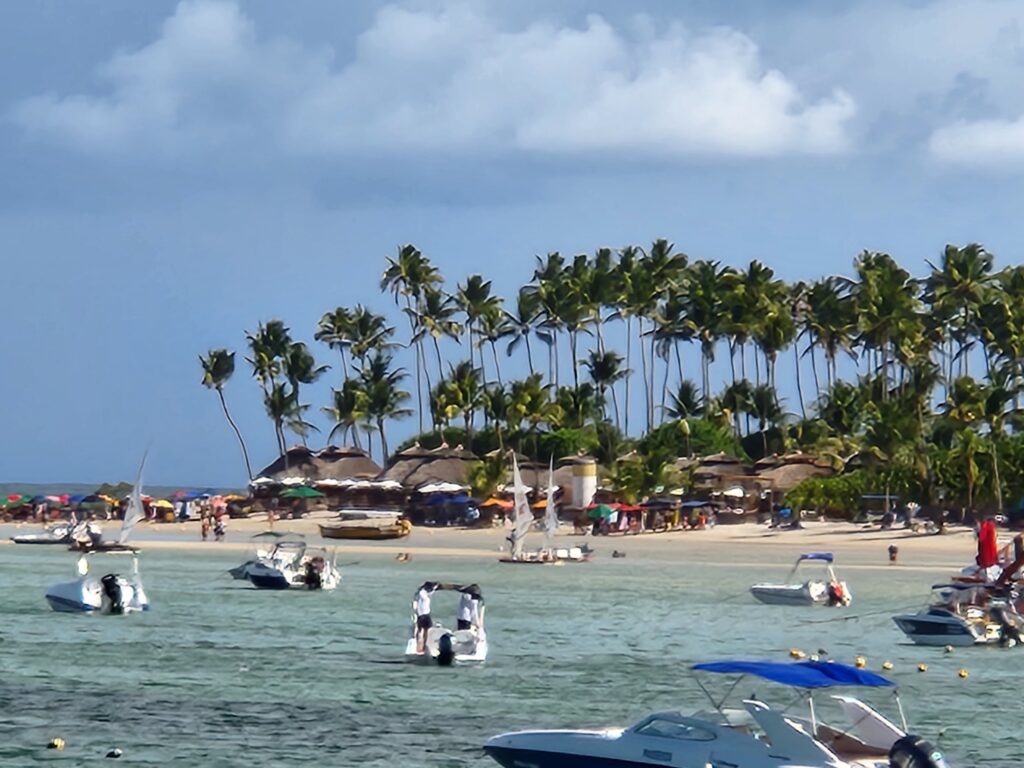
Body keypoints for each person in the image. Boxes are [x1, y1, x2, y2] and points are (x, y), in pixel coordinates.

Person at [414, 583, 435, 653]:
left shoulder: (422, 595)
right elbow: (428, 592)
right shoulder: (424, 595)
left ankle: (421, 645)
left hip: (422, 614)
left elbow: (430, 592)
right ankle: (421, 645)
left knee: (422, 631)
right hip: (424, 615)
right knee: (423, 631)